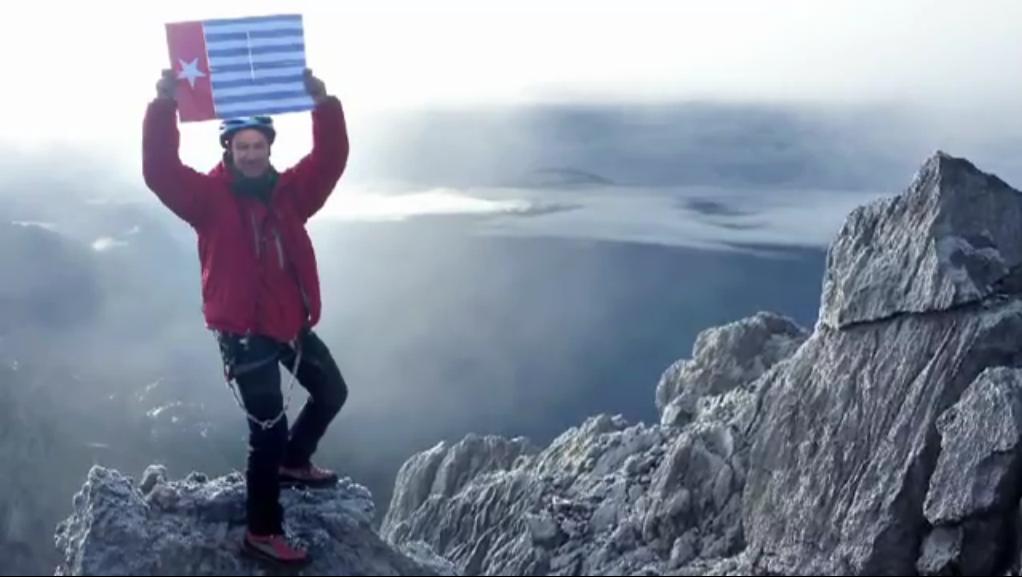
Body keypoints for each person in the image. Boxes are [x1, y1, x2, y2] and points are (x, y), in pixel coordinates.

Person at [143, 67, 350, 566]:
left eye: (259, 145)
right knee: (268, 432)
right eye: (243, 147)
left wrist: (325, 105)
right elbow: (159, 171)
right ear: (229, 150)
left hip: (286, 322)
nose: (252, 154)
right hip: (241, 333)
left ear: (269, 148)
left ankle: (294, 464)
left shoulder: (290, 194)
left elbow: (330, 161)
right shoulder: (208, 200)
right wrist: (163, 106)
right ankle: (261, 531)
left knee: (332, 392)